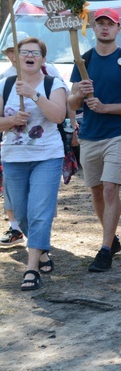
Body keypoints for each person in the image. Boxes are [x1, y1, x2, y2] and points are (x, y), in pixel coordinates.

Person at [68, 8, 121, 272]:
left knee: (111, 188)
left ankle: (104, 249)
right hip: (89, 135)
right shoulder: (83, 61)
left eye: (109, 24)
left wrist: (106, 107)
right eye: (99, 24)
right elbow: (71, 102)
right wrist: (80, 94)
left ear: (117, 29)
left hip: (117, 134)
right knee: (97, 191)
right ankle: (111, 239)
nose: (104, 28)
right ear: (94, 28)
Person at [1, 37, 66, 290]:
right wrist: (11, 120)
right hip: (14, 157)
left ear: (42, 59)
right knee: (20, 211)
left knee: (40, 211)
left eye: (35, 52)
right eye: (24, 52)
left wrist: (34, 94)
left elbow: (58, 116)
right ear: (15, 58)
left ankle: (31, 269)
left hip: (47, 156)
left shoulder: (54, 83)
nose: (29, 55)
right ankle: (41, 251)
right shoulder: (5, 85)